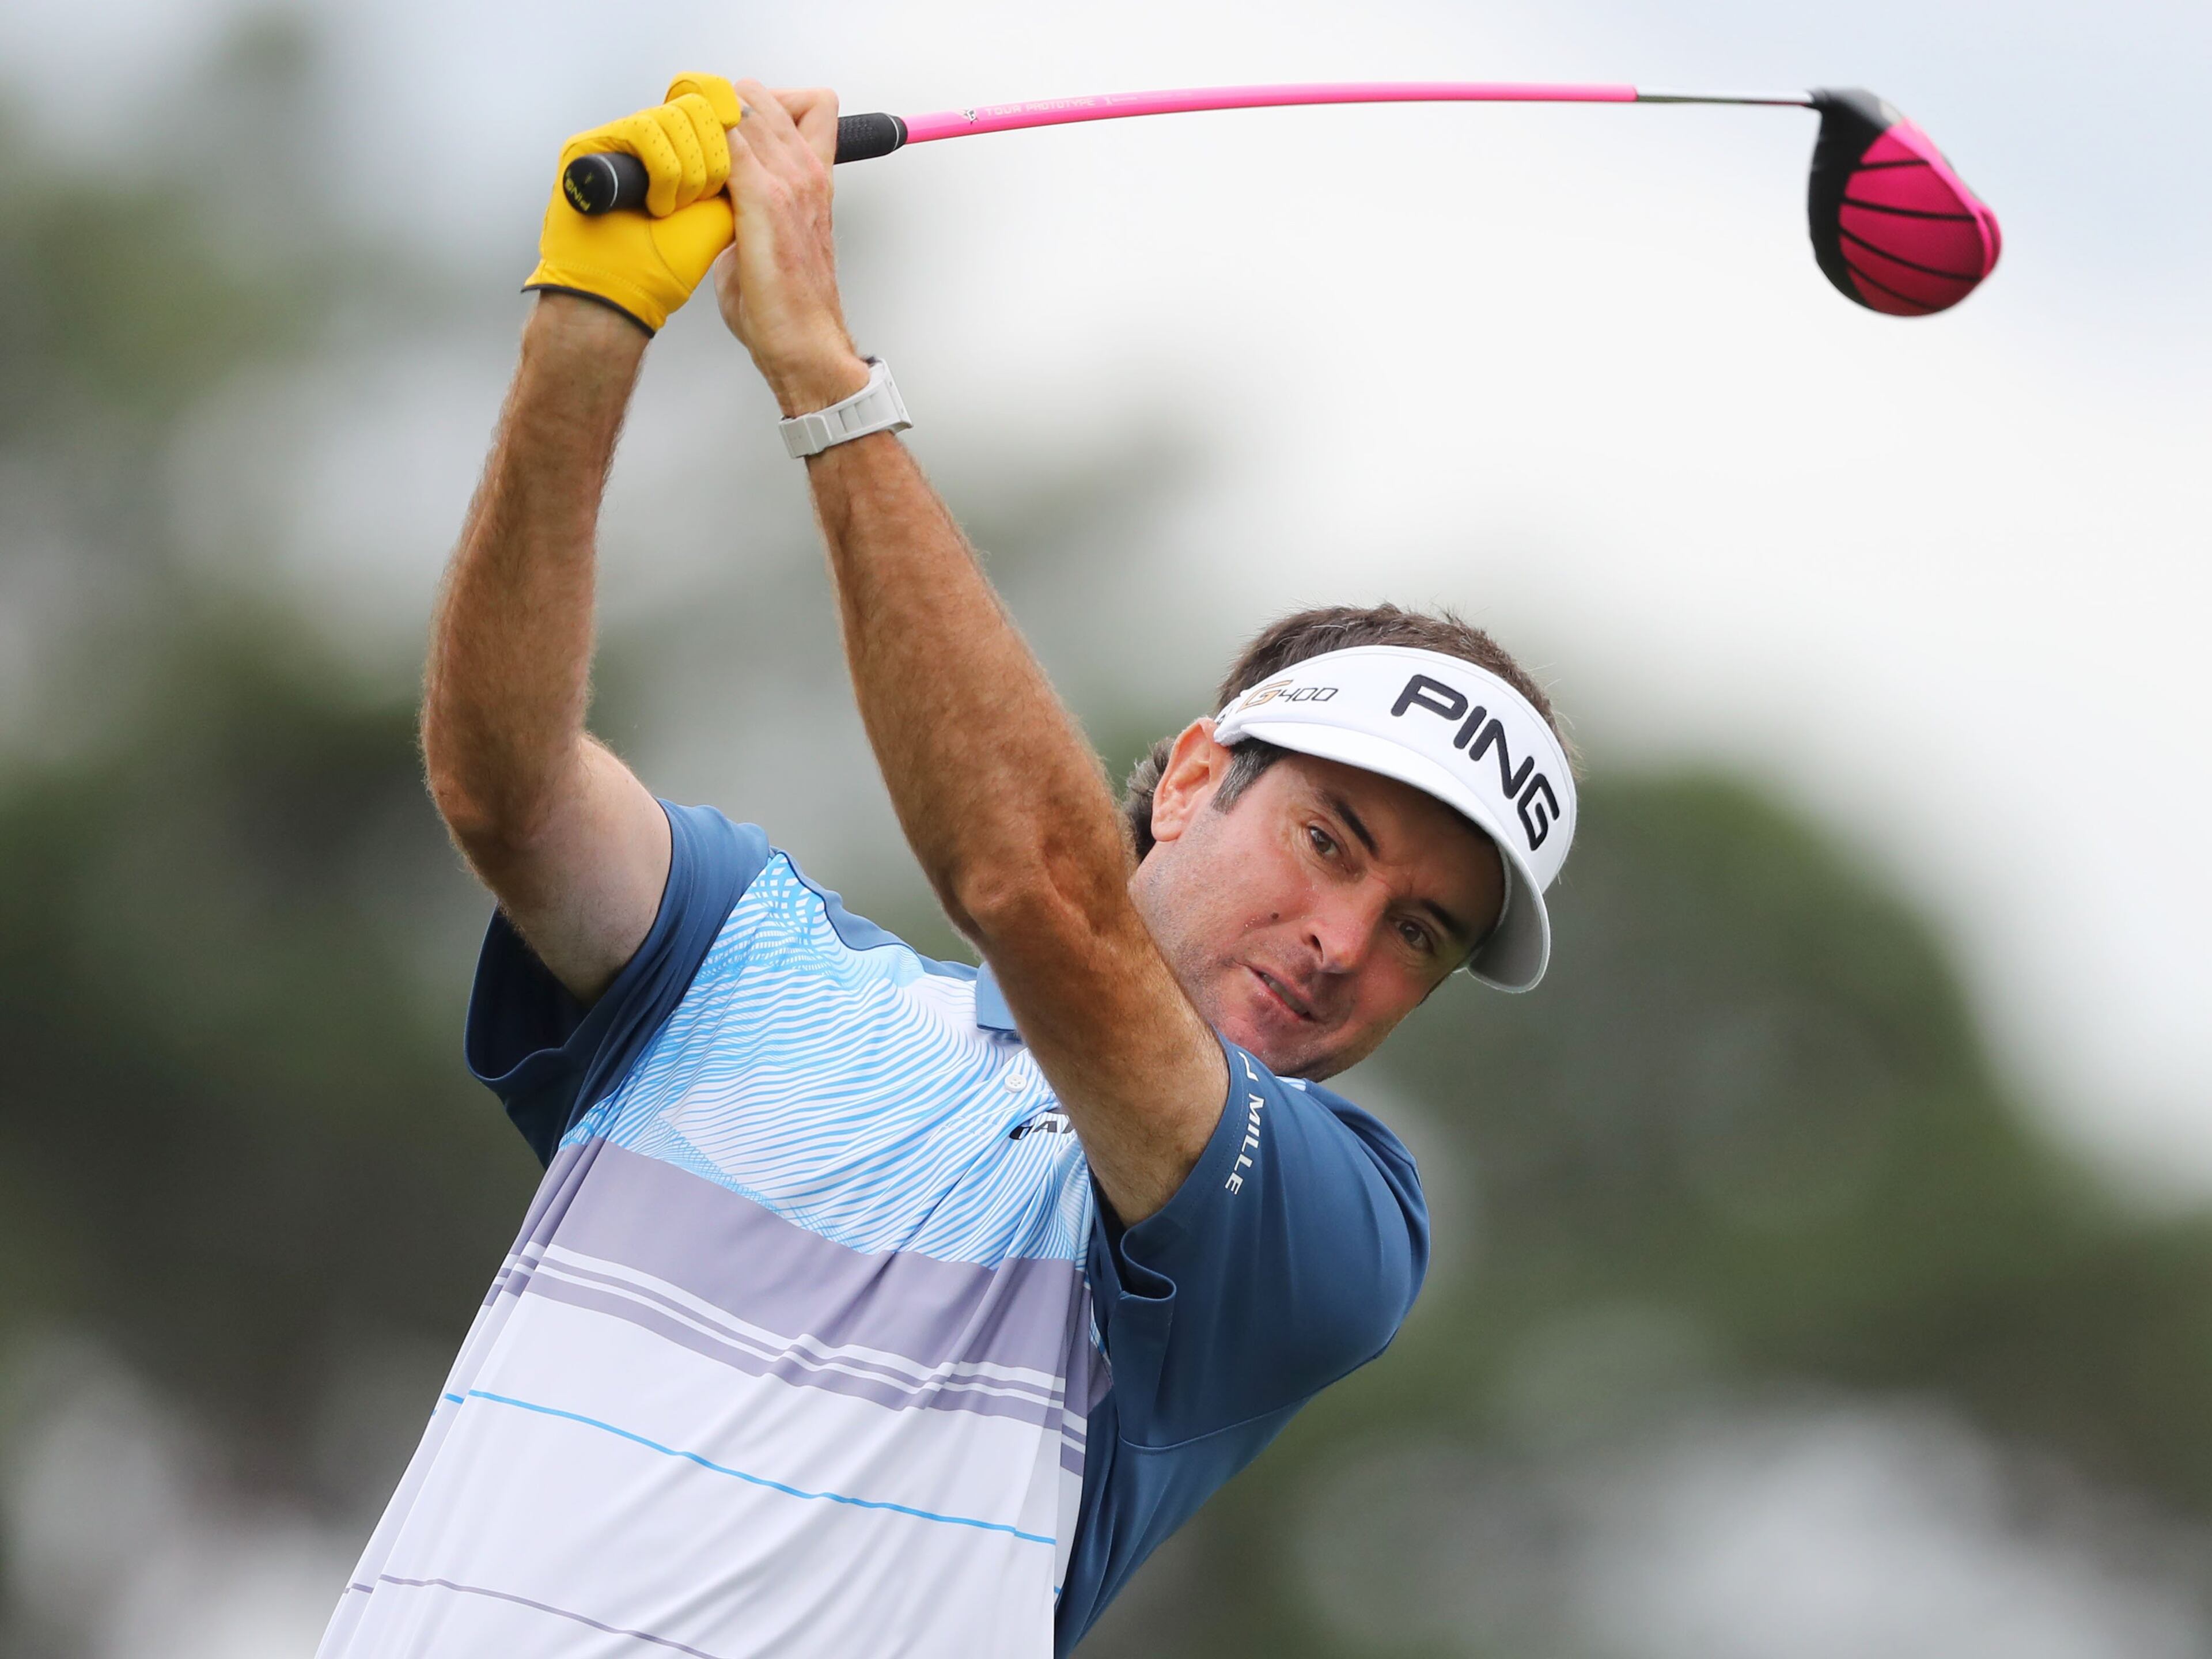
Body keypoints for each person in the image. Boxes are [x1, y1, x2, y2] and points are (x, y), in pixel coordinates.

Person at [319, 73, 1577, 1659]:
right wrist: (586, 324)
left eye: (1422, 934)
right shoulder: (743, 961)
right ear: (1194, 778)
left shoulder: (1328, 1230)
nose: (1343, 943)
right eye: (1327, 842)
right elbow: (505, 787)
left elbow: (1038, 893)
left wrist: (817, 371)